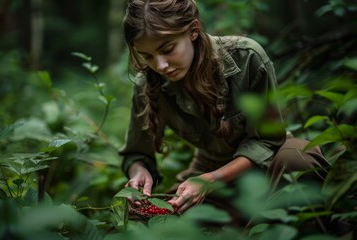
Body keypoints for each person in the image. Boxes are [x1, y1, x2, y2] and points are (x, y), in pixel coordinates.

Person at [119, 0, 330, 220]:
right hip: (209, 173)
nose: (160, 65)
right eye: (147, 56)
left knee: (300, 159)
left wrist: (210, 180)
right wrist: (138, 171)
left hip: (270, 165)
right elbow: (136, 153)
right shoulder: (148, 84)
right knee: (142, 218)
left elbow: (267, 141)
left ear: (193, 30)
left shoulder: (246, 56)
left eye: (168, 49)